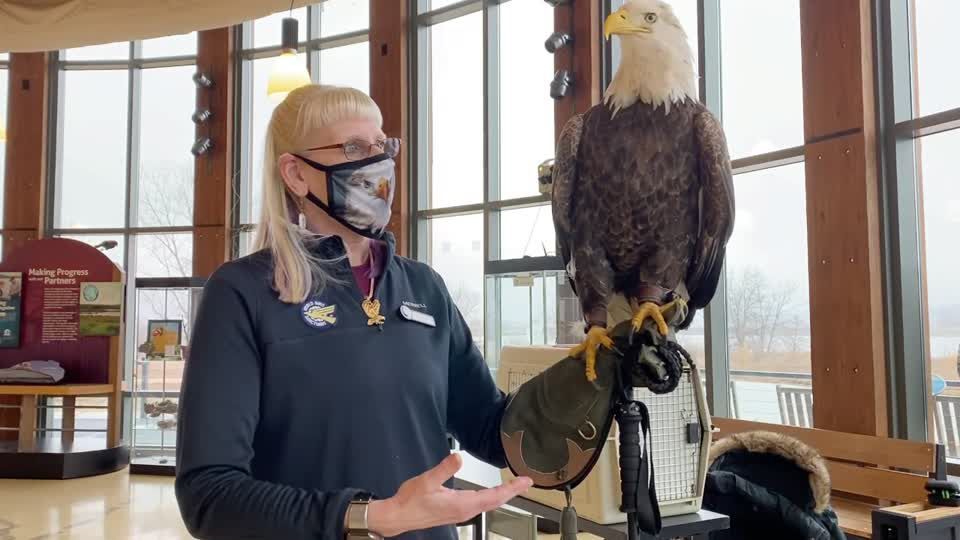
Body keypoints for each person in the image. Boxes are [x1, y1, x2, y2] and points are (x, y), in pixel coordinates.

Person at [175, 84, 532, 540]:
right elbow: (209, 495)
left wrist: (589, 379)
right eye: (354, 148)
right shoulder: (242, 293)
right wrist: (367, 518)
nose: (378, 163)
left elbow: (493, 430)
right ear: (297, 174)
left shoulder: (425, 287)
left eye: (383, 147)